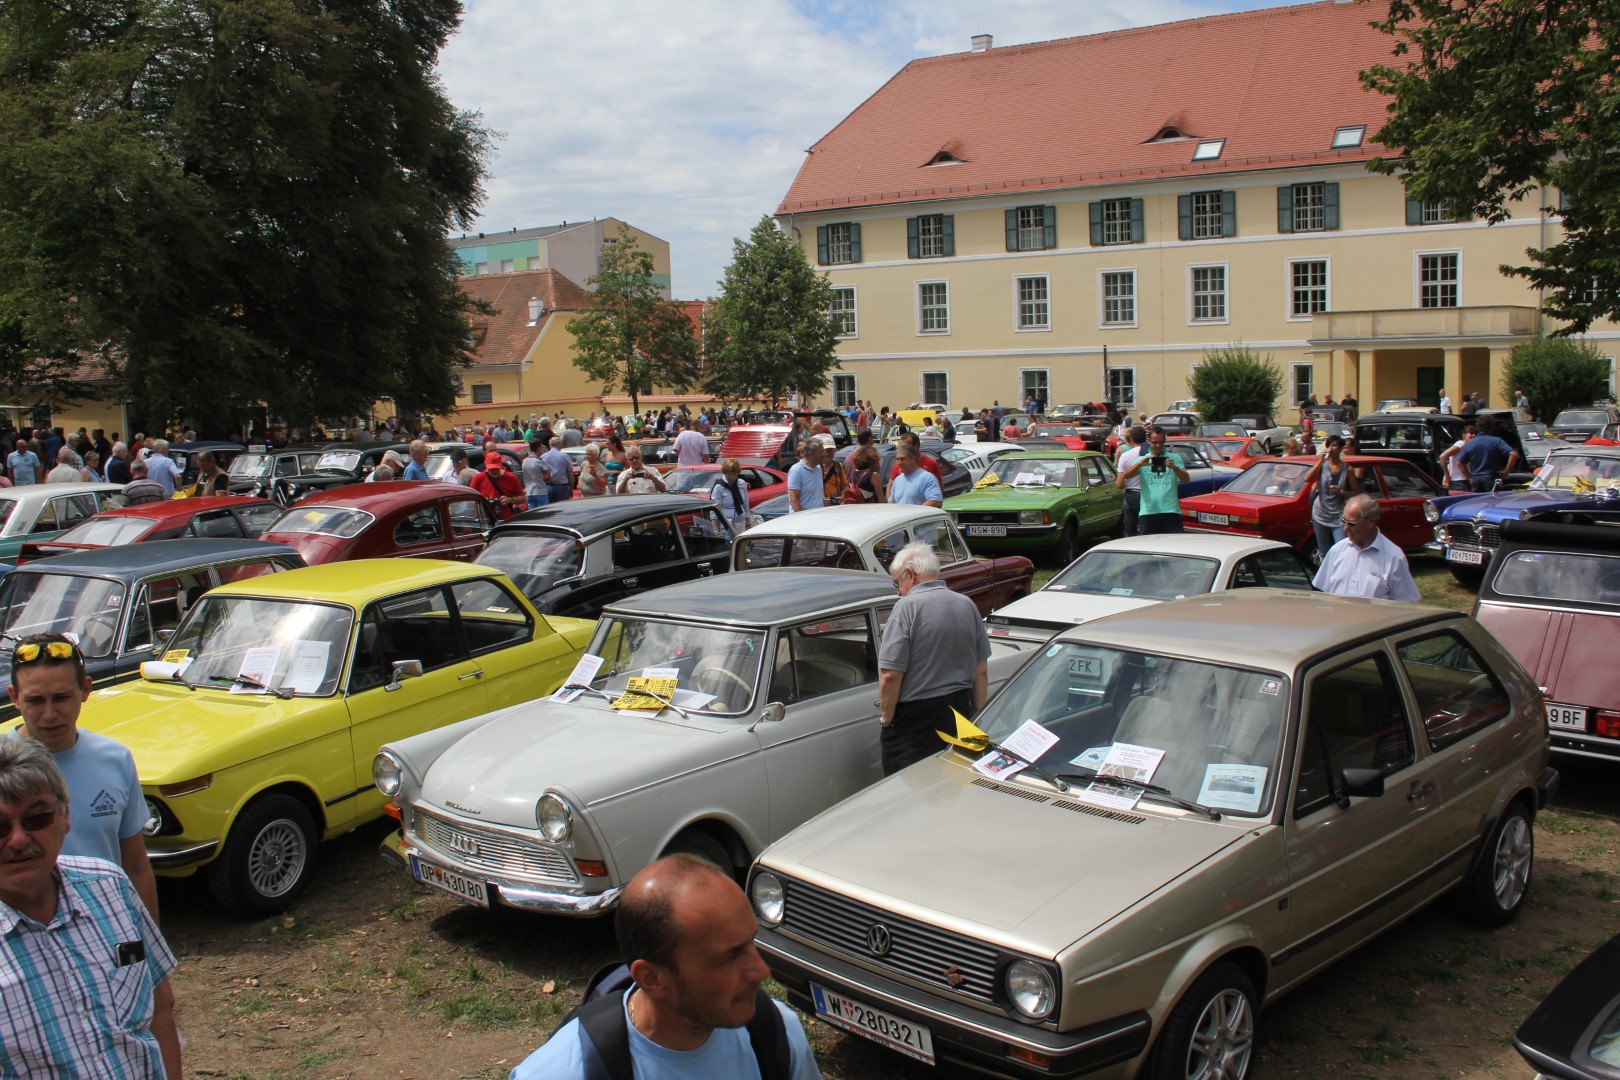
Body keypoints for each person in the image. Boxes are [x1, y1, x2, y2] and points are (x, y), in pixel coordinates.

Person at [510, 855, 819, 1080]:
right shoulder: (561, 1072)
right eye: (728, 957)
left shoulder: (777, 1032)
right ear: (652, 978)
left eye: (750, 942)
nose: (760, 972)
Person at [0, 739, 181, 1078]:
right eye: (0, 826)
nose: (19, 839)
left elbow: (158, 1011)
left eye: (37, 818)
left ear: (66, 816)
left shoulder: (110, 886)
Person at [6, 632, 160, 920]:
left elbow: (136, 866)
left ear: (85, 689)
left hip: (104, 933)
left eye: (61, 698)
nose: (50, 714)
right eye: (36, 701)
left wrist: (150, 950)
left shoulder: (115, 759)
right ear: (14, 697)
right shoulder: (4, 765)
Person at [877, 543, 990, 776]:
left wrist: (887, 720)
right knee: (956, 782)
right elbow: (980, 670)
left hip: (916, 720)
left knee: (908, 789)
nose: (898, 591)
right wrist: (976, 714)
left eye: (897, 582)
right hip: (960, 710)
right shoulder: (966, 604)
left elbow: (890, 675)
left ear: (911, 574)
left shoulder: (906, 607)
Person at [1312, 495, 1421, 602]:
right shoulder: (1337, 551)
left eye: (1351, 523)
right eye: (1343, 521)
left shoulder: (1394, 557)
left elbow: (1406, 605)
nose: (1345, 528)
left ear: (1371, 522)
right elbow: (1321, 595)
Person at [1118, 427, 1188, 534]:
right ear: (1149, 441)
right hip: (1148, 512)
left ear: (1165, 441)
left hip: (1170, 511)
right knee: (1149, 547)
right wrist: (1139, 464)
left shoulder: (1175, 458)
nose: (1158, 446)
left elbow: (1186, 479)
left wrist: (1174, 468)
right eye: (1155, 442)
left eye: (1161, 442)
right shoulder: (1142, 459)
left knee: (1174, 546)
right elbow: (1125, 475)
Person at [1302, 435, 1360, 556]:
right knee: (1324, 551)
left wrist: (1342, 492)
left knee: (1342, 548)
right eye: (1328, 445)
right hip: (1320, 513)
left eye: (1334, 445)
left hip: (1338, 515)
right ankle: (1326, 573)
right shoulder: (1323, 465)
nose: (1331, 449)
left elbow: (1356, 492)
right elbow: (1307, 478)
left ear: (1340, 448)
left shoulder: (1347, 469)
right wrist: (1320, 461)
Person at [1456, 417, 1520, 492]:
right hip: (1492, 478)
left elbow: (1459, 462)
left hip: (1476, 479)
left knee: (1478, 502)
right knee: (1493, 501)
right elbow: (1514, 454)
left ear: (1478, 427)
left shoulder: (1470, 443)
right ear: (1491, 427)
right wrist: (1506, 471)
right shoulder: (1497, 441)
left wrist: (1469, 478)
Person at [1113, 425, 1147, 537]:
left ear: (1131, 439)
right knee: (1146, 529)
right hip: (1149, 495)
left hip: (1132, 494)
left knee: (1130, 530)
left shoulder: (1126, 456)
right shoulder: (1150, 454)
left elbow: (1119, 484)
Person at [470, 454, 525, 519]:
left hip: (506, 519)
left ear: (501, 465)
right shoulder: (478, 478)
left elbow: (523, 498)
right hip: (486, 520)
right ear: (485, 464)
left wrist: (510, 500)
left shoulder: (510, 477)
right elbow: (470, 501)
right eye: (491, 468)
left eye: (496, 468)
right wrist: (484, 502)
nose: (493, 471)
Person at [710, 458, 751, 531]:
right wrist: (715, 530)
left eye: (734, 474)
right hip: (726, 525)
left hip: (740, 523)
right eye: (729, 474)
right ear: (724, 473)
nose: (732, 477)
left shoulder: (742, 484)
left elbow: (745, 505)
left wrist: (748, 524)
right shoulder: (719, 487)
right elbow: (714, 511)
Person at [786, 439, 825, 512]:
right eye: (821, 452)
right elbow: (794, 500)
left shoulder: (818, 469)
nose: (824, 454)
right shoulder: (796, 470)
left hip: (818, 517)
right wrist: (804, 519)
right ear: (811, 454)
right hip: (803, 520)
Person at [1439, 424, 1476, 493]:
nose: (1473, 435)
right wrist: (1447, 475)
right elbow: (1443, 457)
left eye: (1475, 434)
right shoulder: (1460, 444)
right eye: (1471, 433)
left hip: (1464, 480)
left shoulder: (1469, 447)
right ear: (1464, 435)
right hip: (1458, 481)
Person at [542, 437, 574, 505]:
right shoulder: (564, 456)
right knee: (562, 508)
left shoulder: (543, 457)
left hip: (548, 487)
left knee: (550, 509)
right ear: (560, 445)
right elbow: (570, 473)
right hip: (562, 487)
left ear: (550, 445)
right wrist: (571, 488)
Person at [522, 440, 552, 509]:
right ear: (538, 448)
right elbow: (549, 477)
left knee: (532, 515)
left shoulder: (524, 461)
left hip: (529, 492)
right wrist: (546, 478)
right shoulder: (540, 461)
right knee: (542, 513)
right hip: (540, 491)